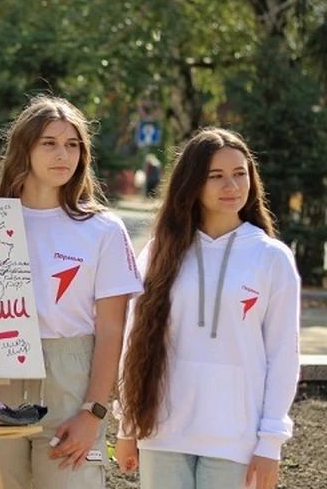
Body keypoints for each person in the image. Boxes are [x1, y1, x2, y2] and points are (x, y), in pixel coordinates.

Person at [0, 95, 143, 489]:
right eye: (49, 143)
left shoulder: (104, 230)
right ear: (25, 149)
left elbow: (111, 331)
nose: (63, 155)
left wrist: (93, 412)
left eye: (73, 145)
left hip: (72, 378)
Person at [114, 128, 300, 489]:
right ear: (193, 184)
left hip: (236, 438)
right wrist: (128, 426)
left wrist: (271, 441)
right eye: (216, 176)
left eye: (240, 174)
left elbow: (282, 357)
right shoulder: (159, 252)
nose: (231, 185)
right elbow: (134, 343)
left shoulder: (271, 257)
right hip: (163, 431)